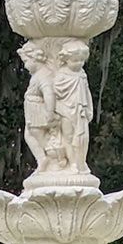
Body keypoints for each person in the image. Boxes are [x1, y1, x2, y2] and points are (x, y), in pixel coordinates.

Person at [50, 42, 93, 177]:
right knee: (68, 137)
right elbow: (57, 89)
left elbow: (87, 93)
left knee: (83, 137)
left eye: (81, 60)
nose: (79, 63)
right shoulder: (61, 74)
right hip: (66, 110)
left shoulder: (82, 74)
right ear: (66, 59)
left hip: (81, 109)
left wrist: (89, 108)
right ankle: (72, 163)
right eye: (75, 60)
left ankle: (81, 162)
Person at [19, 42, 59, 174]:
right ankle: (43, 159)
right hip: (33, 110)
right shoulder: (38, 75)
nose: (25, 66)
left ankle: (50, 158)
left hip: (39, 111)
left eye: (26, 61)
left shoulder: (43, 75)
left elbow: (49, 93)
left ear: (34, 59)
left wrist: (50, 112)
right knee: (29, 135)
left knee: (35, 133)